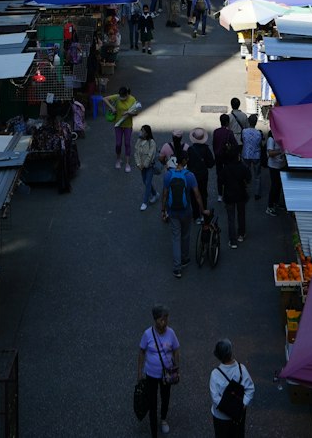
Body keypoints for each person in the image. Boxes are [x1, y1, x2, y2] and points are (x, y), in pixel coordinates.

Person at [137, 304, 180, 438]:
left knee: (165, 397)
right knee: (152, 401)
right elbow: (141, 352)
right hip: (151, 374)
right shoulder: (147, 334)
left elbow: (176, 349)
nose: (165, 322)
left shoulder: (171, 333)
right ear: (155, 320)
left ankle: (163, 419)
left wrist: (176, 368)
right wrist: (139, 373)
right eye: (162, 319)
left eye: (166, 319)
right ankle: (153, 428)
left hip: (167, 374)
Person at [161, 152, 202, 277]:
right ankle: (185, 258)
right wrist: (202, 210)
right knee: (185, 235)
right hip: (186, 211)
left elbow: (165, 195)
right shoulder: (190, 176)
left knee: (175, 237)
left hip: (173, 212)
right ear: (185, 161)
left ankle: (177, 268)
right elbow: (197, 195)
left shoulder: (168, 175)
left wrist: (163, 210)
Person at [210, 339, 256, 436]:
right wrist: (242, 405)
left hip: (220, 417)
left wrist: (227, 409)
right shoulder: (241, 369)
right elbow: (250, 389)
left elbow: (215, 397)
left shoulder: (215, 374)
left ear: (218, 356)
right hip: (238, 415)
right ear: (231, 352)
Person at [103, 84, 140, 171]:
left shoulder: (132, 99)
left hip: (128, 125)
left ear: (127, 94)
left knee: (127, 143)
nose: (122, 99)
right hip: (118, 125)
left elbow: (136, 113)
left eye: (124, 97)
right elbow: (104, 99)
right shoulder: (117, 97)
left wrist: (128, 113)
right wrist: (112, 107)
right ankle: (118, 159)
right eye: (121, 97)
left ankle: (127, 163)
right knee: (118, 144)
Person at [221, 142, 250, 247]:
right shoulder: (242, 167)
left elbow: (221, 181)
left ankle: (233, 241)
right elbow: (248, 179)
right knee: (241, 214)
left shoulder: (225, 168)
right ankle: (241, 234)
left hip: (229, 195)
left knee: (231, 218)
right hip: (241, 194)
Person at [186, 126, 215, 212]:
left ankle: (196, 215)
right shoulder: (206, 149)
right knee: (203, 193)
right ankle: (204, 212)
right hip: (203, 174)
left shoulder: (190, 149)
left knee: (193, 194)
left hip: (192, 175)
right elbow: (211, 164)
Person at [134, 124, 160, 211]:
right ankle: (155, 194)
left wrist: (144, 165)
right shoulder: (139, 141)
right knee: (145, 181)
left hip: (149, 167)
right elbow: (136, 153)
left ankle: (144, 202)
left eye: (143, 131)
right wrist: (138, 164)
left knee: (147, 183)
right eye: (141, 130)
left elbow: (150, 156)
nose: (141, 132)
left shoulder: (152, 142)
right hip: (142, 167)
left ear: (147, 133)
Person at [240, 114, 264, 201]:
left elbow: (242, 140)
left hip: (246, 154)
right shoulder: (259, 133)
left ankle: (244, 190)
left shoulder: (244, 131)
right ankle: (257, 193)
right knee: (257, 175)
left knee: (245, 173)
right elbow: (260, 143)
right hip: (256, 155)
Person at [213, 112, 235, 201]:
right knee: (227, 174)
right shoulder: (229, 133)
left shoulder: (216, 131)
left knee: (219, 174)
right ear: (227, 122)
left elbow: (214, 144)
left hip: (218, 156)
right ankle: (226, 192)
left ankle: (219, 194)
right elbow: (234, 144)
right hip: (226, 156)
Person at [266, 130, 285, 215]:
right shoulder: (271, 139)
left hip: (281, 165)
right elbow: (270, 153)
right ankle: (269, 207)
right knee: (274, 186)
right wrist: (281, 152)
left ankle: (276, 203)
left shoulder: (282, 138)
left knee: (279, 186)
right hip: (273, 166)